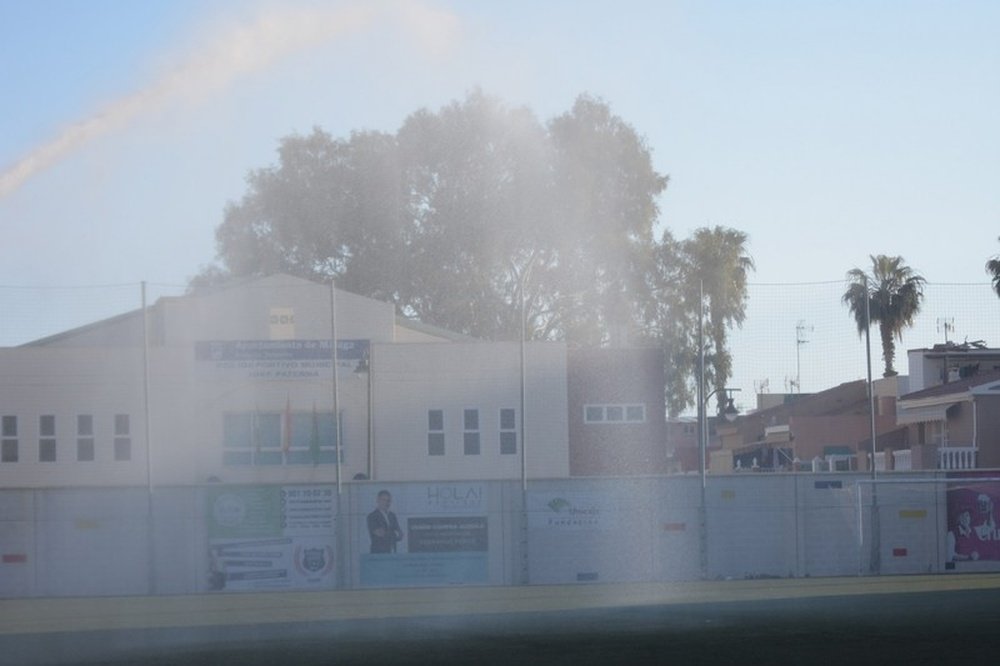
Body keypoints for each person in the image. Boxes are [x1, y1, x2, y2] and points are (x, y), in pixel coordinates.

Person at [367, 489, 404, 554]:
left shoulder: (392, 515)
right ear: (377, 500)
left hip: (392, 552)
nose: (386, 503)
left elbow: (400, 534)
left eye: (388, 501)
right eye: (383, 500)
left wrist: (389, 533)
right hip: (378, 553)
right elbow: (380, 533)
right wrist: (394, 534)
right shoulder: (372, 516)